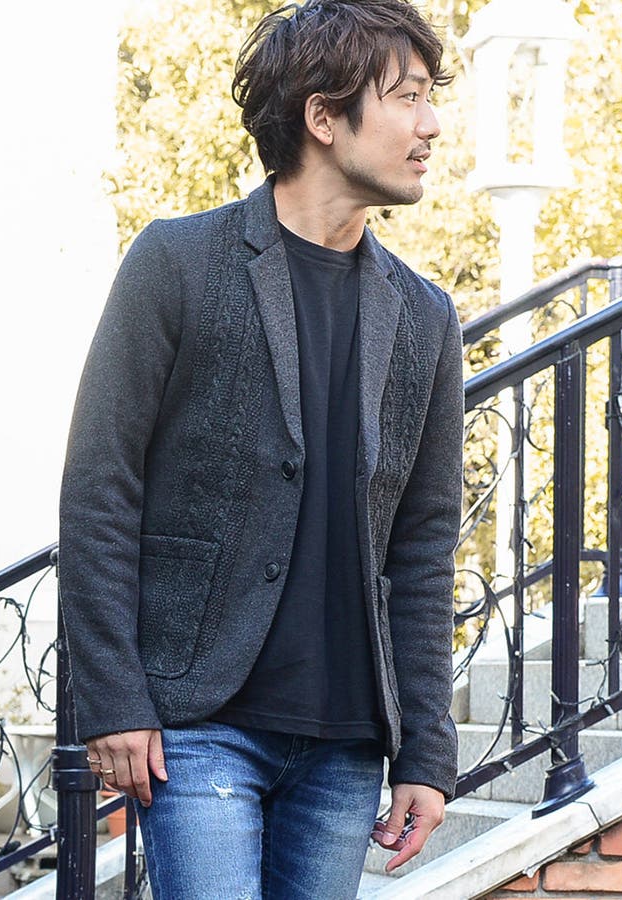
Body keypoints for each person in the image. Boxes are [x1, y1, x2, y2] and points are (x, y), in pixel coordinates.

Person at [58, 1, 463, 897]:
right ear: (323, 116)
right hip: (199, 725)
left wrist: (426, 751)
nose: (431, 124)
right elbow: (100, 488)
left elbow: (424, 546)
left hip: (347, 741)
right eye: (407, 97)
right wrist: (113, 697)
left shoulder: (426, 317)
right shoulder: (177, 263)